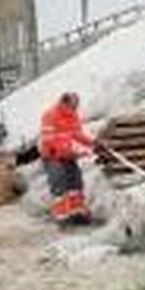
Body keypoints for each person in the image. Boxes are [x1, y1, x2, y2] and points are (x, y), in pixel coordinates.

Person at [39, 92, 95, 225]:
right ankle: (62, 216)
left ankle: (77, 212)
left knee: (75, 182)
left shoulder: (72, 115)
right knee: (59, 184)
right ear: (64, 103)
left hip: (68, 155)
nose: (75, 108)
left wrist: (93, 142)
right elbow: (50, 140)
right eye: (73, 106)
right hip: (53, 155)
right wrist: (74, 151)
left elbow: (77, 134)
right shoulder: (50, 115)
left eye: (76, 106)